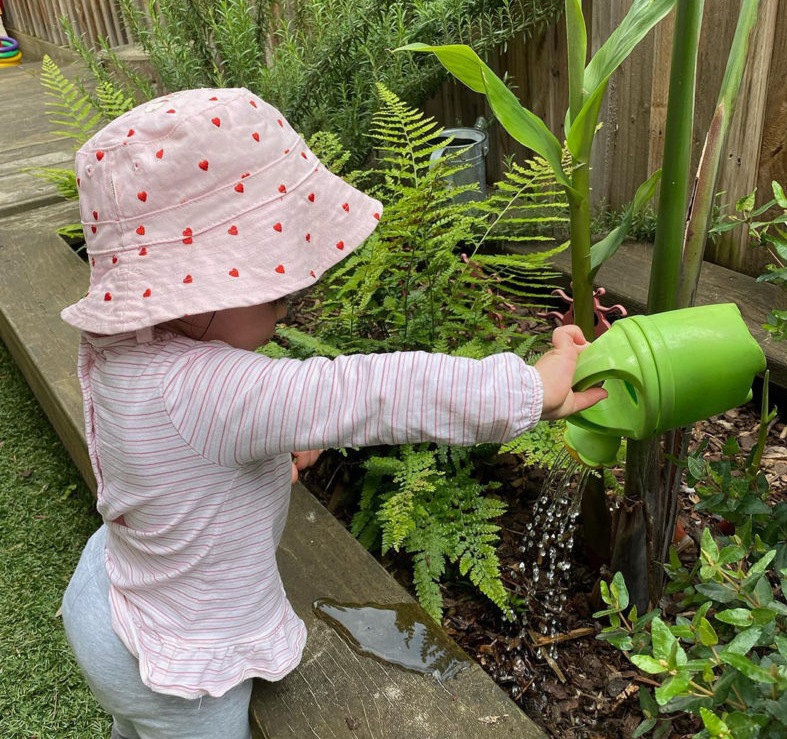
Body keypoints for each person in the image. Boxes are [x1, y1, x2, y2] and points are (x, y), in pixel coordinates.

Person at [59, 87, 606, 739]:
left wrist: (263, 445)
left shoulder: (126, 350)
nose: (293, 298)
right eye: (276, 286)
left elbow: (179, 451)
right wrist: (528, 390)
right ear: (197, 286)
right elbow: (372, 392)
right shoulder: (214, 392)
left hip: (106, 589)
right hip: (176, 667)